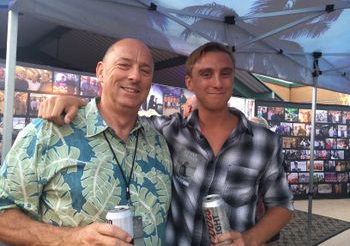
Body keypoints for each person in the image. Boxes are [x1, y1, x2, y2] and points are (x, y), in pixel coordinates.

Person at [38, 42, 293, 245]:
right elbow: (118, 115)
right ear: (190, 83)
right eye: (206, 74)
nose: (217, 82)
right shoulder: (165, 132)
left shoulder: (265, 142)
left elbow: (282, 204)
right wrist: (78, 104)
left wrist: (250, 239)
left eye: (225, 74)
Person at [0, 38, 172, 246]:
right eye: (124, 65)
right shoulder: (48, 132)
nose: (135, 76)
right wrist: (71, 238)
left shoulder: (158, 143)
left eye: (145, 70)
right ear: (100, 71)